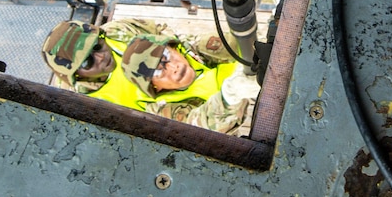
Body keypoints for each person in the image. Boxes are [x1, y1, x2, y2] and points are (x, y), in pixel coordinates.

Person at [42, 20, 252, 135]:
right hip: (169, 115)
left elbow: (163, 34)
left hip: (208, 76)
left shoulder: (118, 32)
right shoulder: (82, 105)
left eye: (97, 45)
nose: (101, 57)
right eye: (87, 62)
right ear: (76, 75)